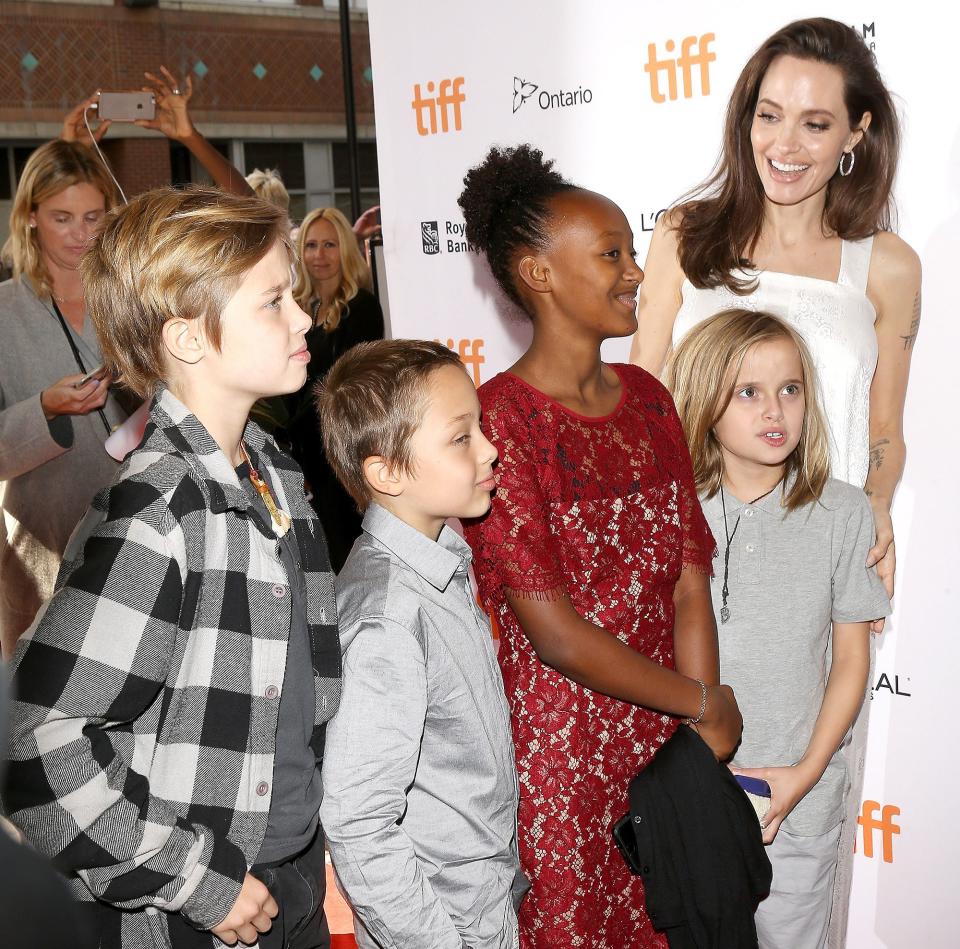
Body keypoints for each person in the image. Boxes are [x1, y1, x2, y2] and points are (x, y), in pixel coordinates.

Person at [627, 20, 920, 937]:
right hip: (690, 569)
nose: (784, 145)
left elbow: (884, 431)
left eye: (816, 124)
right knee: (679, 861)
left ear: (857, 134)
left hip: (818, 565)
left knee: (803, 852)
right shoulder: (684, 236)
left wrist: (874, 507)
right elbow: (643, 405)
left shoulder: (889, 266)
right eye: (768, 114)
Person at [4, 187, 341, 949]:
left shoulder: (276, 472)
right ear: (188, 339)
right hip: (206, 905)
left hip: (294, 874)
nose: (304, 318)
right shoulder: (159, 512)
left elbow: (299, 708)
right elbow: (34, 741)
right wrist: (194, 879)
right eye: (273, 302)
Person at [457, 144, 742, 948]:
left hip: (667, 742)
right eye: (611, 254)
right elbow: (550, 631)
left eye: (629, 252)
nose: (634, 272)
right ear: (538, 274)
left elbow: (691, 579)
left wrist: (696, 729)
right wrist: (699, 702)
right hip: (561, 758)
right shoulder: (499, 420)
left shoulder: (651, 401)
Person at [666, 309, 890, 949]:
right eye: (749, 392)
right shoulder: (673, 509)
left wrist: (807, 772)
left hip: (800, 800)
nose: (775, 411)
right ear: (706, 400)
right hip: (693, 798)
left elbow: (850, 660)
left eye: (790, 390)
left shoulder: (843, 511)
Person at [317, 339, 522, 949]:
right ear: (386, 472)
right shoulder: (388, 618)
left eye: (480, 427)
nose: (489, 449)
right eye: (461, 438)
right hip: (445, 923)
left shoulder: (440, 564)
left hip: (480, 903)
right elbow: (358, 823)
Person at [0, 139, 129, 657]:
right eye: (62, 218)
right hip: (41, 552)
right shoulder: (5, 313)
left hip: (137, 542)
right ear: (30, 217)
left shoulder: (129, 298)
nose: (81, 234)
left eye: (93, 216)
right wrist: (44, 411)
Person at [287, 206, 385, 571]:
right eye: (311, 245)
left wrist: (286, 430)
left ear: (345, 248)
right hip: (301, 454)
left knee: (343, 556)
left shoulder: (361, 307)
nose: (319, 255)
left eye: (329, 244)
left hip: (340, 452)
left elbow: (340, 386)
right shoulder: (296, 308)